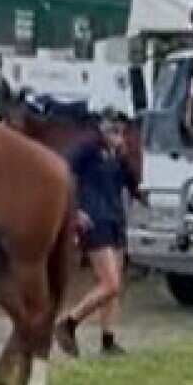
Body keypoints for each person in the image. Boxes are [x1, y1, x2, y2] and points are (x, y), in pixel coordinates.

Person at [55, 111, 137, 356]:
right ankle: (69, 322)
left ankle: (108, 339)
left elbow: (131, 182)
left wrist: (125, 158)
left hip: (115, 218)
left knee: (114, 285)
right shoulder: (87, 147)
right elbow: (62, 171)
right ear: (102, 127)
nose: (117, 135)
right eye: (112, 129)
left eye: (121, 130)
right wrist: (75, 210)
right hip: (94, 219)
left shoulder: (117, 155)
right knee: (109, 282)